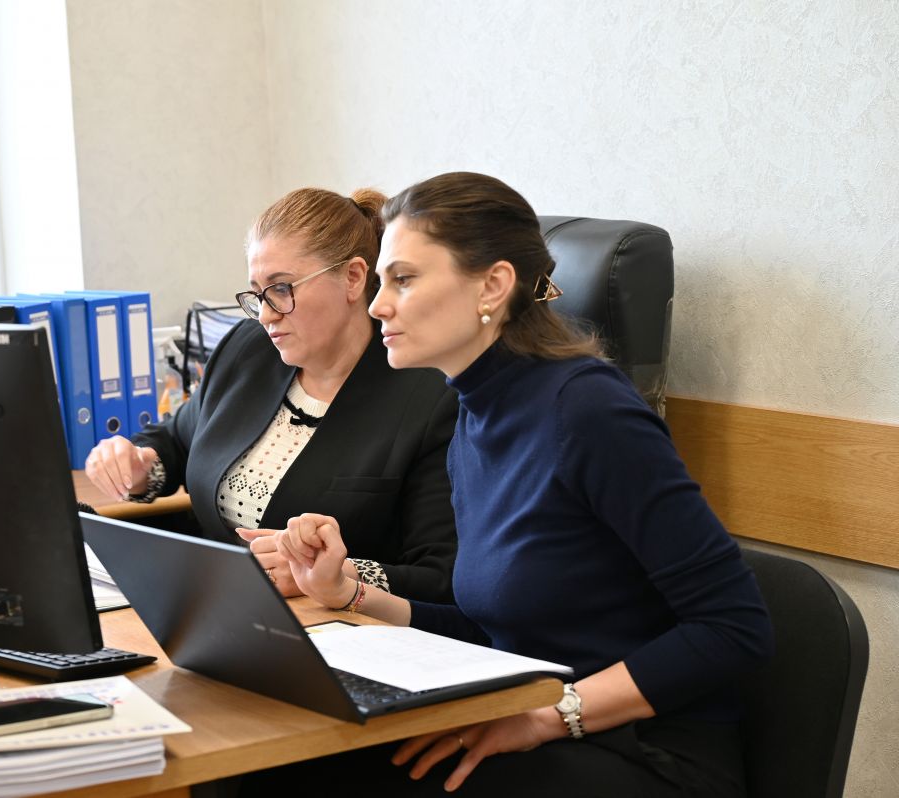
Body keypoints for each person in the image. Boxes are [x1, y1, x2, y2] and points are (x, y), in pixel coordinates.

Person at [264, 172, 773, 796]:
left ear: (493, 285)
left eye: (404, 279)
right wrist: (347, 593)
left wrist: (548, 716)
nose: (378, 305)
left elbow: (734, 627)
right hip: (534, 709)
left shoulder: (588, 412)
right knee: (305, 765)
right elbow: (494, 628)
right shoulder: (475, 413)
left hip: (646, 750)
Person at [84, 187, 459, 603]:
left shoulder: (430, 397)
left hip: (335, 624)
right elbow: (178, 438)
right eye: (258, 294)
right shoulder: (249, 349)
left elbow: (441, 576)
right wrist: (140, 464)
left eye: (281, 289)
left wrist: (332, 577)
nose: (265, 314)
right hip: (218, 604)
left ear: (353, 278)